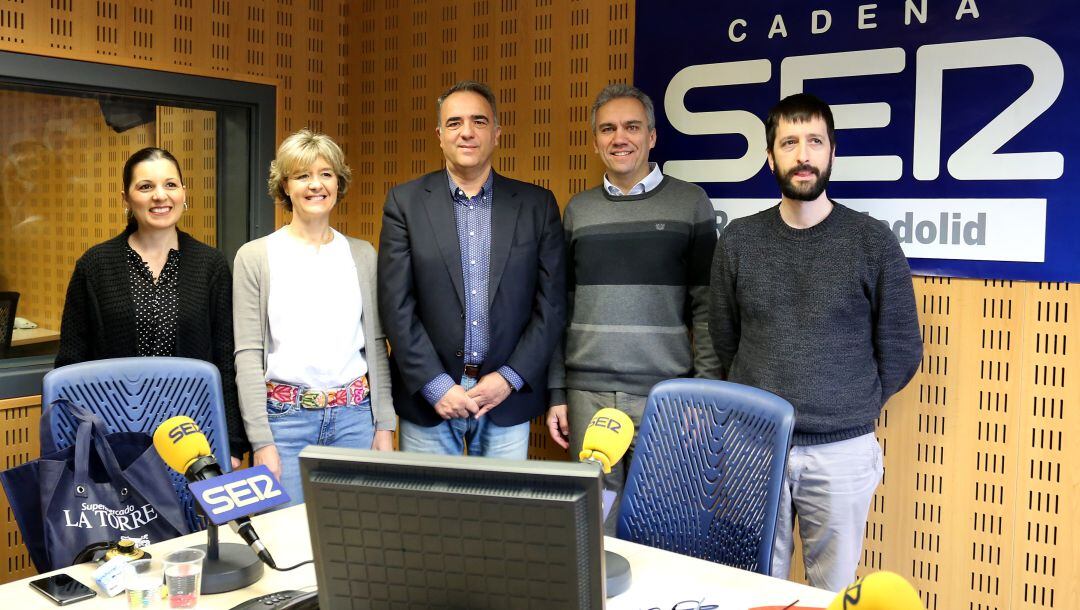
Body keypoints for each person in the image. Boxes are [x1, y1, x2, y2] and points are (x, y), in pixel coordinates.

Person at [709, 93, 922, 590]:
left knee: (832, 591)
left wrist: (851, 404)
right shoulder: (738, 241)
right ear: (770, 157)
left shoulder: (872, 242)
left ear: (831, 153)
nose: (802, 155)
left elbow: (901, 347)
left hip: (843, 450)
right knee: (755, 587)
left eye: (814, 142)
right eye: (789, 142)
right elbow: (722, 338)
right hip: (755, 445)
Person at [546, 83, 720, 532]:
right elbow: (559, 308)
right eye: (607, 129)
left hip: (665, 398)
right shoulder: (578, 210)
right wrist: (557, 393)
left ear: (652, 137)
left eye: (631, 127)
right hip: (587, 398)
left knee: (658, 524)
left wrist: (704, 396)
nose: (619, 137)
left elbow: (707, 308)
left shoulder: (690, 203)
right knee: (594, 526)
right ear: (596, 140)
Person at [378, 80, 565, 458]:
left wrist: (509, 379)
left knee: (502, 514)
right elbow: (396, 305)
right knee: (427, 517)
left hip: (504, 401)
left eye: (479, 121)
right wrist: (435, 385)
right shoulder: (405, 203)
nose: (467, 132)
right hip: (430, 402)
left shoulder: (536, 205)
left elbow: (552, 306)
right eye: (454, 123)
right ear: (440, 135)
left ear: (496, 133)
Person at [233, 129, 395, 506]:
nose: (315, 185)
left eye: (326, 174)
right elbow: (247, 354)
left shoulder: (362, 254)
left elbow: (376, 345)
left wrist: (384, 427)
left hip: (355, 421)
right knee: (285, 541)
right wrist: (262, 441)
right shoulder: (256, 257)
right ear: (285, 186)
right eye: (302, 175)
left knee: (356, 538)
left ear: (339, 182)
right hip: (284, 424)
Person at [56, 147, 248, 461]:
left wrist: (232, 444)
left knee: (189, 511)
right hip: (112, 433)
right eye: (146, 187)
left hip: (193, 435)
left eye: (170, 185)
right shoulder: (95, 265)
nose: (160, 196)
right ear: (127, 198)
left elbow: (225, 360)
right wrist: (73, 442)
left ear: (184, 193)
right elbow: (71, 361)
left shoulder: (210, 265)